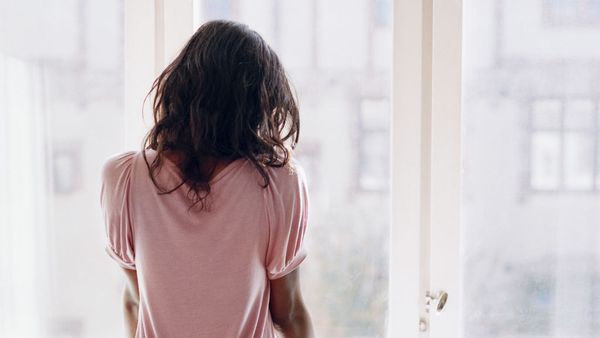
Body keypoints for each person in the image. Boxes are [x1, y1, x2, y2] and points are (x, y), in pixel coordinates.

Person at [99, 20, 314, 338]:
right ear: (258, 104)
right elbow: (289, 312)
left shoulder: (124, 179)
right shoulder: (279, 183)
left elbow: (135, 300)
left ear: (179, 89)